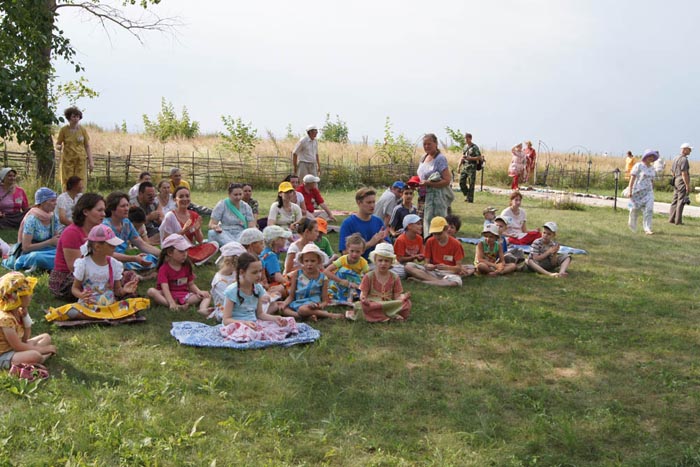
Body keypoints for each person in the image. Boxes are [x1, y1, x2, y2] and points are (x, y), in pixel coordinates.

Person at [45, 225, 147, 322]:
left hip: (109, 306)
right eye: (111, 245)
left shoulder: (114, 264)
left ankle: (100, 316)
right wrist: (81, 295)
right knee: (71, 310)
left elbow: (117, 291)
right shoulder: (83, 264)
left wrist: (124, 290)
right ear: (98, 247)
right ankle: (106, 316)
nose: (115, 247)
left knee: (135, 304)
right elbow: (74, 288)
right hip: (88, 307)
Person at [49, 193, 122, 300]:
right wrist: (101, 272)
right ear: (85, 212)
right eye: (99, 210)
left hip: (91, 270)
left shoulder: (100, 230)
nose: (103, 214)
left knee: (122, 275)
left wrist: (134, 258)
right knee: (99, 282)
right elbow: (73, 267)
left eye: (104, 210)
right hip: (68, 278)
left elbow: (105, 253)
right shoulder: (71, 233)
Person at [220, 253, 298, 342]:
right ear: (242, 272)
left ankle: (259, 334)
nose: (259, 275)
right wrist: (244, 323)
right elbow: (226, 319)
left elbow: (260, 314)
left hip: (254, 323)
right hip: (237, 325)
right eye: (254, 272)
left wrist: (275, 318)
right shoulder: (232, 291)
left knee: (288, 321)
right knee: (247, 331)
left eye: (260, 271)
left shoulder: (258, 288)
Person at [0, 272, 55, 371]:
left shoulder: (18, 312)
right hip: (4, 354)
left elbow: (25, 339)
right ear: (18, 298)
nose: (31, 295)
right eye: (28, 293)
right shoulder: (5, 319)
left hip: (15, 349)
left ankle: (35, 359)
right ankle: (41, 358)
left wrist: (25, 317)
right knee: (35, 355)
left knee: (45, 337)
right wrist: (42, 350)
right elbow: (18, 346)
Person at [347, 243, 411, 322]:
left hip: (388, 304)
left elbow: (396, 297)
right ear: (375, 261)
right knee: (359, 306)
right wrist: (364, 299)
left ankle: (383, 316)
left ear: (391, 262)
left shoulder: (395, 277)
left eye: (386, 261)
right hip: (372, 304)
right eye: (380, 260)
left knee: (407, 303)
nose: (383, 263)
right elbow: (363, 294)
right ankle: (390, 316)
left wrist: (403, 298)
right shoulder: (368, 276)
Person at [147, 234, 210, 311]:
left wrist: (198, 291)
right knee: (151, 291)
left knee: (206, 295)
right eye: (181, 251)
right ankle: (175, 306)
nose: (185, 254)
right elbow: (165, 288)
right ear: (170, 253)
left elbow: (191, 284)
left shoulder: (187, 266)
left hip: (184, 295)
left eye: (186, 250)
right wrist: (171, 302)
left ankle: (203, 309)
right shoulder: (164, 269)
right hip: (166, 294)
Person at [281, 243, 344, 320]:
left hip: (313, 305)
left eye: (312, 261)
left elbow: (325, 300)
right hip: (298, 303)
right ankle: (306, 316)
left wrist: (319, 305)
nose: (309, 264)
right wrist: (284, 303)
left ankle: (328, 315)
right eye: (306, 261)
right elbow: (291, 296)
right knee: (283, 309)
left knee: (302, 310)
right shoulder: (297, 274)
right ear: (302, 261)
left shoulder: (323, 278)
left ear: (318, 261)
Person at [159, 187, 219, 266]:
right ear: (174, 199)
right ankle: (191, 261)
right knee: (179, 253)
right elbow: (165, 241)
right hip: (175, 251)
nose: (185, 199)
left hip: (190, 249)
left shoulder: (194, 215)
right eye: (181, 197)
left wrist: (197, 230)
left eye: (187, 196)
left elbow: (200, 241)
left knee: (214, 245)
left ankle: (191, 261)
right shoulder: (170, 216)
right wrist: (183, 231)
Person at [102, 192, 160, 272]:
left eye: (127, 205)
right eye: (122, 206)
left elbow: (141, 244)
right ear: (112, 209)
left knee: (152, 258)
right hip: (109, 260)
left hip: (125, 260)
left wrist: (163, 254)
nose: (126, 209)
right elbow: (107, 254)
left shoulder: (126, 223)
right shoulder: (105, 226)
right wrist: (134, 258)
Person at [404, 216, 471, 286]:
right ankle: (437, 281)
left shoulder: (456, 244)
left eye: (439, 233)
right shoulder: (430, 241)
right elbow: (426, 263)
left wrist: (447, 267)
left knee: (455, 282)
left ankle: (423, 281)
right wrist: (428, 265)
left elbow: (459, 268)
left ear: (445, 229)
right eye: (434, 234)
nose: (436, 237)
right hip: (432, 271)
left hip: (448, 273)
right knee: (408, 266)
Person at [8, 188, 63, 272]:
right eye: (52, 201)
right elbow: (25, 247)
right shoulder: (32, 219)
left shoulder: (52, 217)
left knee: (64, 253)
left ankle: (49, 263)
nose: (55, 203)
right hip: (31, 252)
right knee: (36, 256)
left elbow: (55, 239)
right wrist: (49, 242)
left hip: (48, 251)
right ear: (42, 202)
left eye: (55, 200)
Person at [417, 133, 454, 234]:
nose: (426, 146)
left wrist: (429, 183)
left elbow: (447, 180)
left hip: (436, 200)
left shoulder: (440, 159)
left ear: (436, 143)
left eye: (429, 144)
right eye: (424, 144)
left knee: (436, 226)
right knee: (423, 225)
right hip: (423, 197)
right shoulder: (423, 157)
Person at [199, 241, 246, 321]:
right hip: (227, 308)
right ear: (233, 262)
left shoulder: (234, 273)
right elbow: (228, 300)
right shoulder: (220, 281)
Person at [338, 187, 387, 260]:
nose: (372, 205)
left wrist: (382, 242)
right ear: (359, 203)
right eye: (369, 202)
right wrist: (370, 243)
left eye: (374, 202)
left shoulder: (378, 221)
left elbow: (388, 246)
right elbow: (344, 253)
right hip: (355, 266)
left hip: (377, 265)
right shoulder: (348, 223)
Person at [324, 233, 369, 304]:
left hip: (354, 285)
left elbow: (368, 278)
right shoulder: (342, 259)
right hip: (340, 283)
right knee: (342, 270)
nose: (354, 254)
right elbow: (326, 271)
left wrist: (359, 286)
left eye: (358, 252)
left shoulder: (363, 263)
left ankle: (352, 297)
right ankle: (340, 296)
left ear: (362, 251)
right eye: (352, 251)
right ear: (347, 249)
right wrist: (340, 280)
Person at [55, 106, 93, 187]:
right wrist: (58, 147)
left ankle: (79, 198)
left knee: (80, 181)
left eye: (78, 116)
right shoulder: (63, 130)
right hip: (68, 161)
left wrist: (91, 161)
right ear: (69, 117)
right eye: (74, 116)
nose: (76, 118)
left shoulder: (82, 130)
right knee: (68, 181)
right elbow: (58, 143)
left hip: (80, 161)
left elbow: (87, 146)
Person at [628, 150, 659, 235]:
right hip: (637, 191)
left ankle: (647, 228)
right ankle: (632, 224)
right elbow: (632, 179)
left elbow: (652, 180)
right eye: (650, 156)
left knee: (649, 209)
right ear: (645, 157)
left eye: (653, 157)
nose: (651, 158)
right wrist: (630, 190)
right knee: (634, 210)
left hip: (648, 192)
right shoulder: (638, 166)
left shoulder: (652, 168)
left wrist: (652, 190)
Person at [260, 225, 293, 293]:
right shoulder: (271, 256)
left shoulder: (265, 252)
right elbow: (277, 277)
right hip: (269, 286)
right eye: (282, 238)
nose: (285, 240)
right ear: (276, 241)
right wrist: (289, 282)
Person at [392, 214, 424, 279]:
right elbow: (399, 259)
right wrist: (414, 257)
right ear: (409, 226)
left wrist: (421, 257)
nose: (421, 226)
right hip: (400, 265)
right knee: (402, 272)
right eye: (418, 224)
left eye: (421, 224)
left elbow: (421, 257)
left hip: (411, 265)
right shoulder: (401, 240)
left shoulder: (420, 238)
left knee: (423, 269)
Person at [669, 143, 692, 225]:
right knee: (681, 201)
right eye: (689, 149)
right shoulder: (684, 160)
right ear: (685, 149)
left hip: (676, 180)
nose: (690, 151)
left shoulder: (676, 158)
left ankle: (671, 219)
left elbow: (672, 170)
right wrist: (687, 185)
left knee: (675, 200)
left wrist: (675, 177)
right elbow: (684, 173)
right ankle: (678, 221)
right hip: (681, 180)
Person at [458, 133, 483, 203]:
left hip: (472, 167)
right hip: (465, 166)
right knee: (461, 182)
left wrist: (471, 158)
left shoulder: (474, 147)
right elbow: (462, 157)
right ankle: (467, 194)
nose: (465, 140)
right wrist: (459, 166)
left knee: (471, 183)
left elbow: (479, 157)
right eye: (465, 138)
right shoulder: (465, 147)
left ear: (470, 138)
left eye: (467, 138)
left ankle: (470, 199)